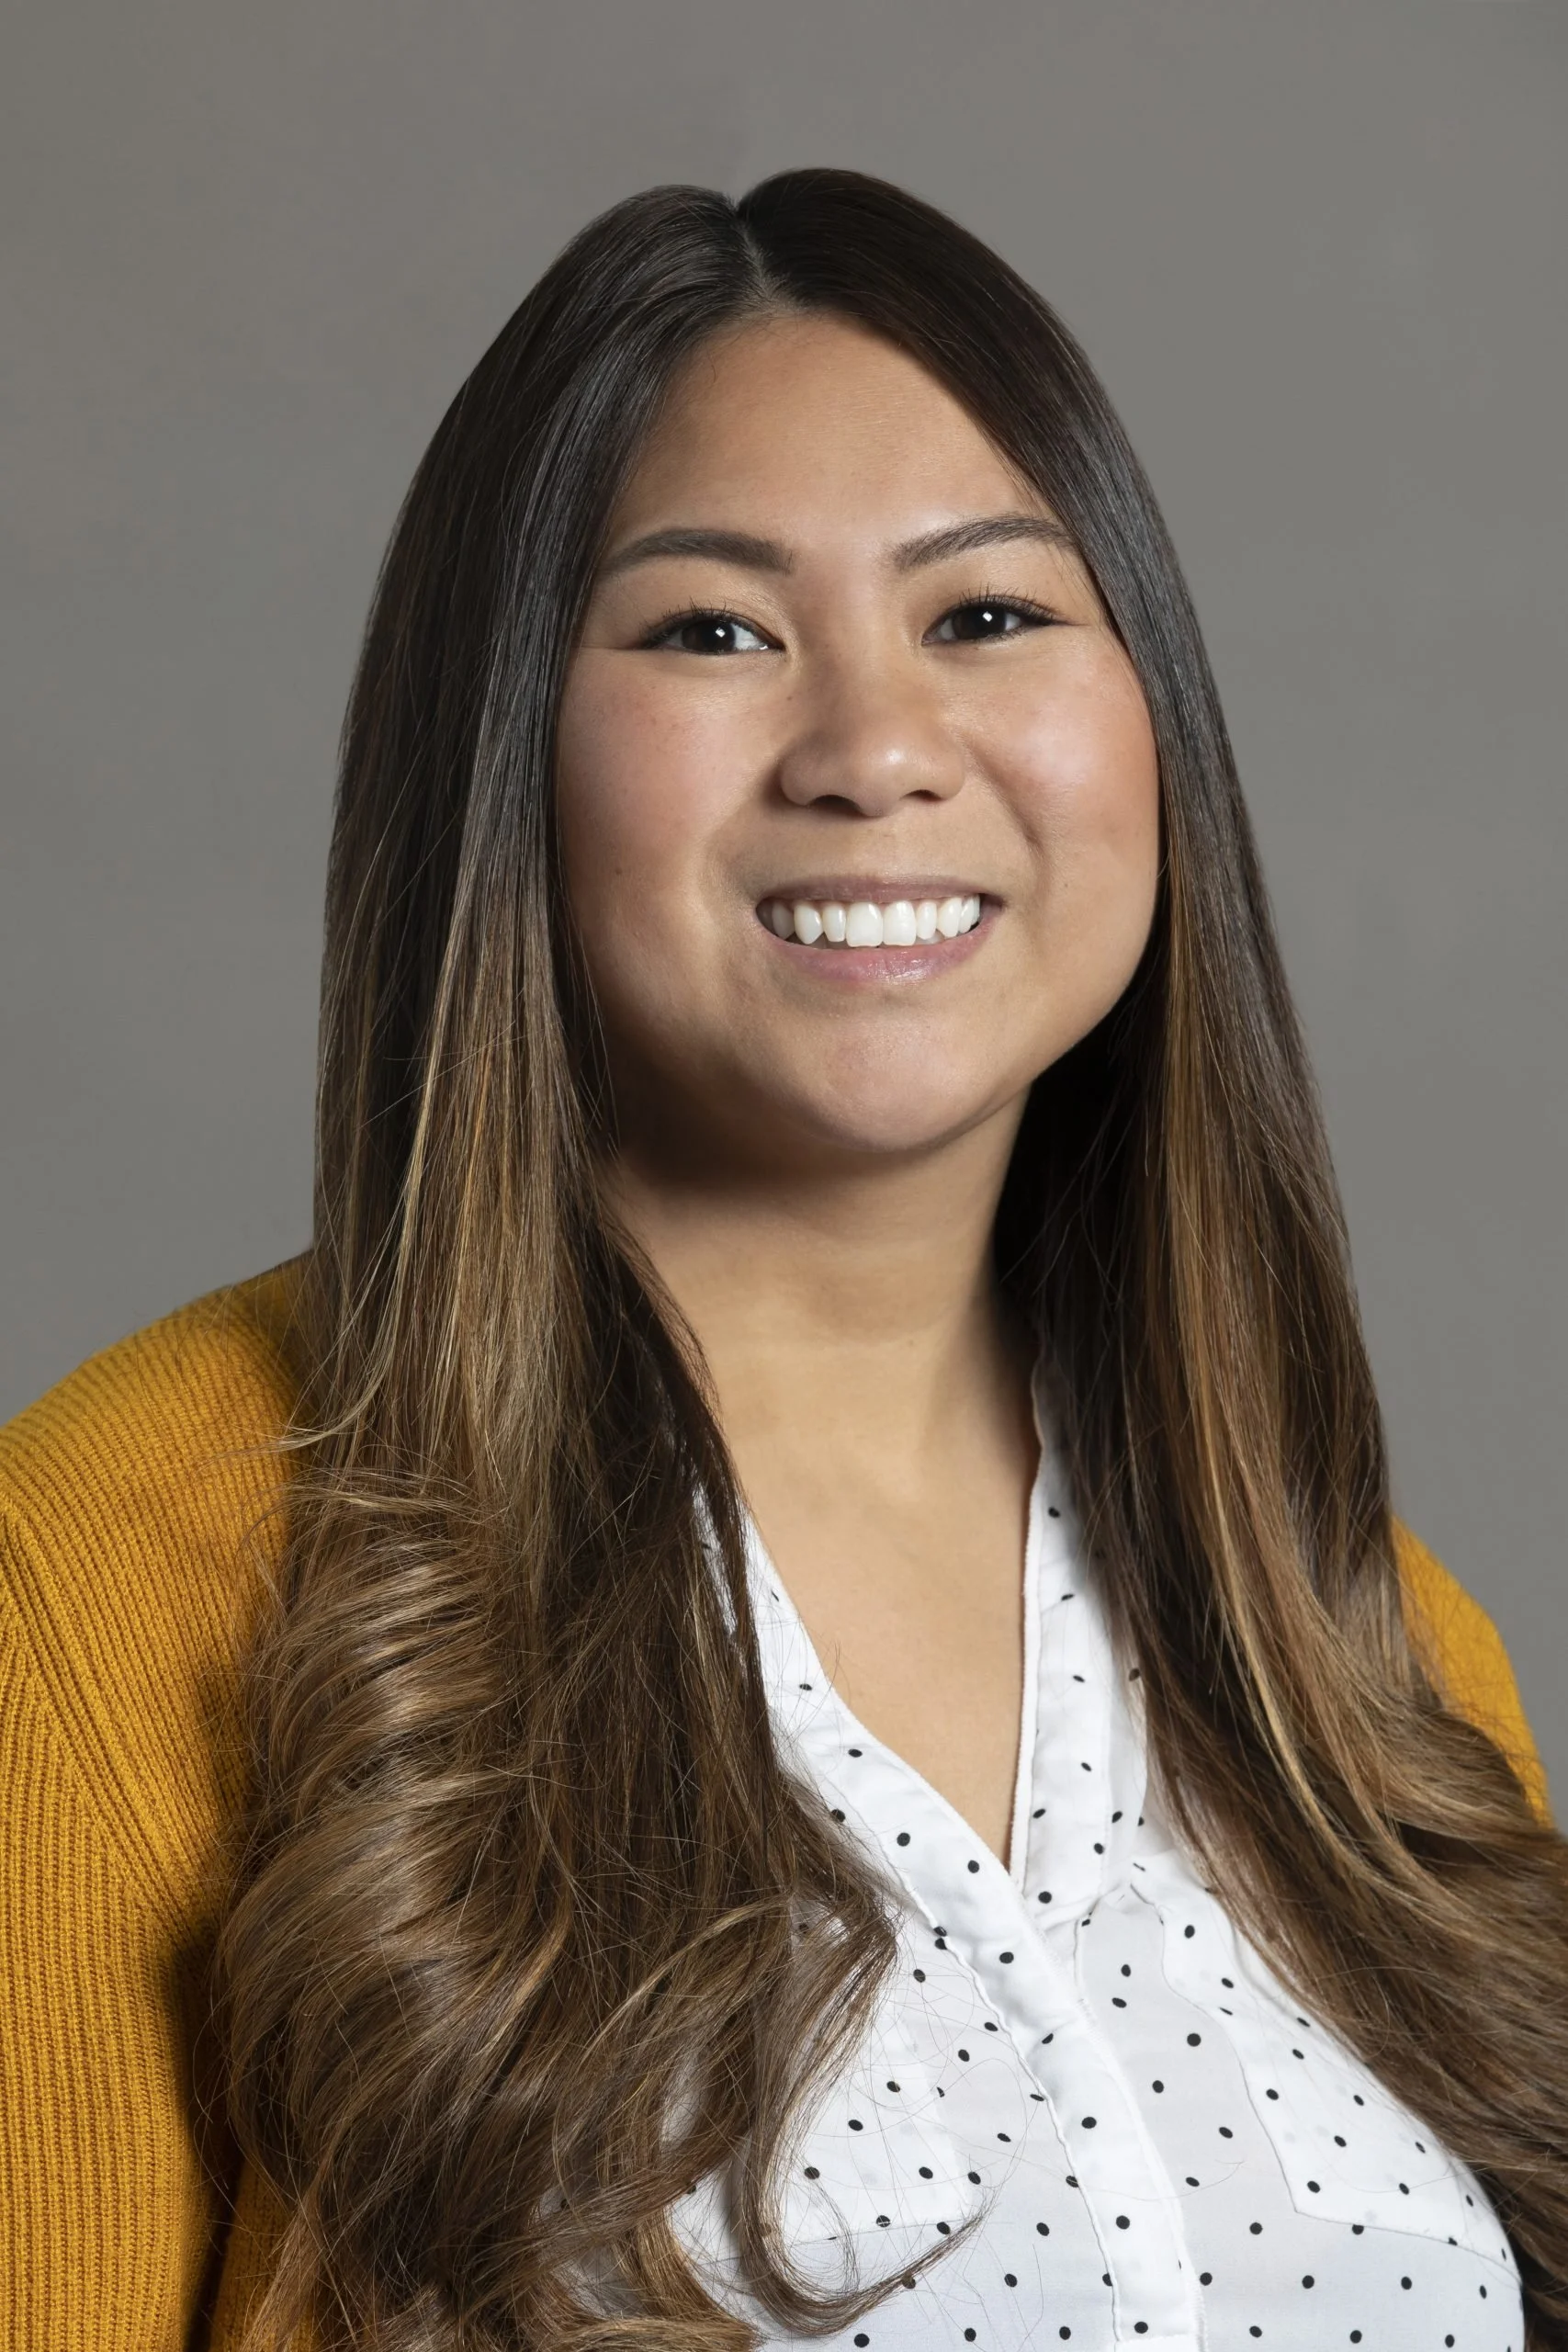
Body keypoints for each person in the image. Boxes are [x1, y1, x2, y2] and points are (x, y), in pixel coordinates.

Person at [3, 168, 1564, 2352]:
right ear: (507, 751)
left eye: (987, 613)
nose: (877, 751)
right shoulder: (97, 1586)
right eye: (713, 631)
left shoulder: (1362, 1646)